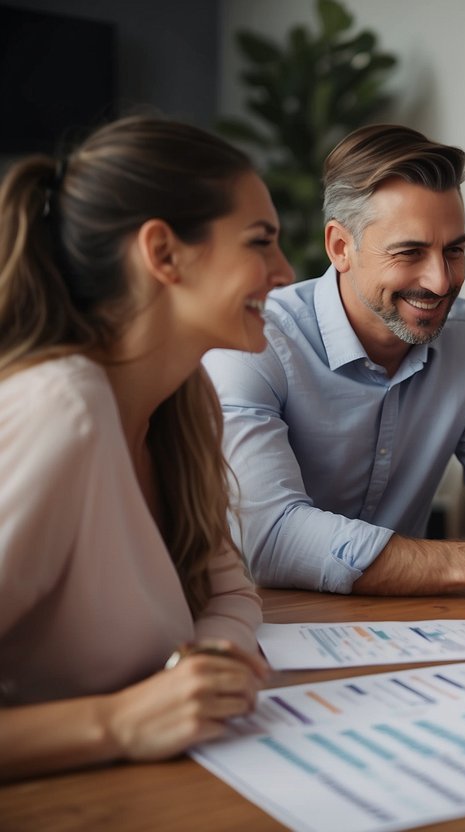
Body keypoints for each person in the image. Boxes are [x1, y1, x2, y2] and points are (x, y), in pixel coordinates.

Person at [202, 124, 465, 597]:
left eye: (454, 251)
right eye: (409, 252)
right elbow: (272, 540)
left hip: (406, 618)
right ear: (340, 247)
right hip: (258, 623)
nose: (440, 281)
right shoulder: (252, 343)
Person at [0, 116, 285, 780]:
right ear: (163, 253)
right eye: (260, 242)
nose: (284, 270)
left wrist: (211, 662)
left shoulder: (186, 404)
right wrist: (120, 721)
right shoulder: (62, 410)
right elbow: (127, 717)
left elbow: (231, 592)